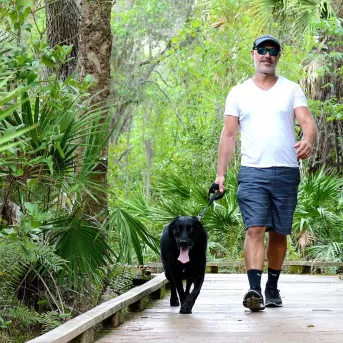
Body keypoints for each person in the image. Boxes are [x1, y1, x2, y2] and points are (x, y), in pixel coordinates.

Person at [213, 34, 317, 312]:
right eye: (262, 50)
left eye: (272, 51)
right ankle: (254, 289)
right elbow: (229, 135)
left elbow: (307, 122)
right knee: (255, 228)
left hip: (286, 172)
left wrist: (307, 140)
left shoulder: (291, 89)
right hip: (252, 173)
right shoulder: (238, 92)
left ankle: (272, 286)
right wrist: (220, 175)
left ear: (278, 56)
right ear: (253, 53)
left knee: (280, 233)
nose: (267, 55)